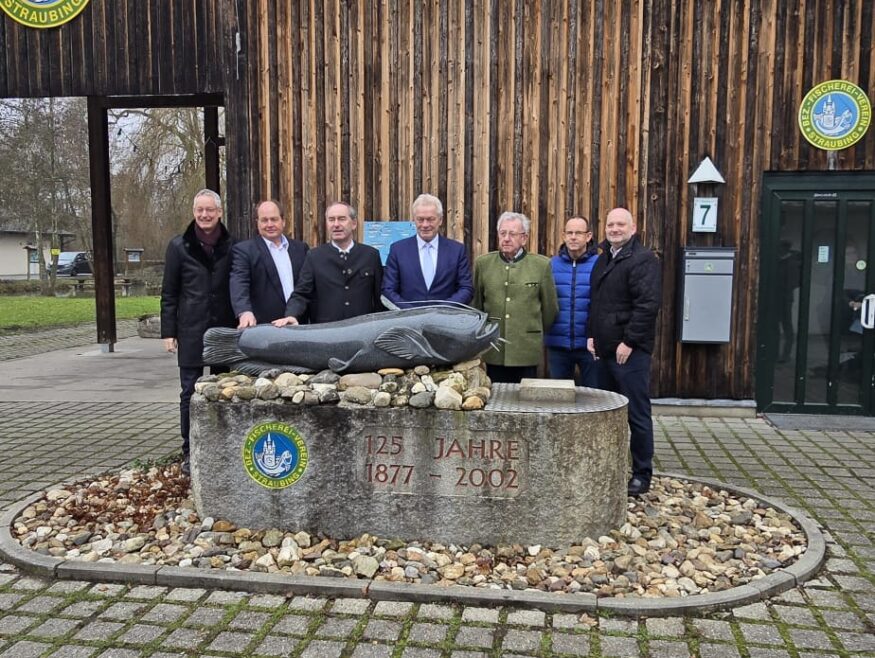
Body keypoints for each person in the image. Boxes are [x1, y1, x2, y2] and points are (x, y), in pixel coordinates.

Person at [160, 189, 236, 475]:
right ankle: (190, 449)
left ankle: (223, 445)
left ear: (219, 213)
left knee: (224, 389)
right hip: (191, 328)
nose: (205, 215)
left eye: (210, 210)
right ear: (194, 212)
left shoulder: (232, 246)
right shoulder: (179, 246)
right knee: (189, 391)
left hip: (222, 329)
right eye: (200, 210)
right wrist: (169, 331)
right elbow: (169, 292)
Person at [586, 207, 661, 496]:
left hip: (629, 353)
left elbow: (647, 306)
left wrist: (629, 342)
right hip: (604, 352)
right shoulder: (604, 258)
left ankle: (642, 474)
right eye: (610, 224)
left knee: (637, 415)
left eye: (620, 224)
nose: (615, 229)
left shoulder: (643, 260)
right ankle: (609, 467)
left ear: (633, 228)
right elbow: (597, 302)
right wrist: (591, 335)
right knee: (607, 413)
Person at [472, 211, 558, 383]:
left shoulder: (541, 265)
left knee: (525, 402)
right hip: (494, 349)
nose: (506, 238)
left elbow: (550, 309)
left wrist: (531, 330)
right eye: (503, 233)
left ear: (524, 238)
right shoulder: (483, 264)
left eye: (512, 234)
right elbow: (477, 306)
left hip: (526, 348)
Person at [273, 201, 383, 326]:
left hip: (363, 331)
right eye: (331, 220)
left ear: (354, 224)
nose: (336, 224)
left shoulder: (370, 255)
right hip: (325, 333)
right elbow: (301, 293)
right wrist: (292, 315)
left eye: (342, 219)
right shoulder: (314, 257)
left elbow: (380, 297)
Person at [382, 193, 473, 306]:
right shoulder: (398, 250)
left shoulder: (457, 251)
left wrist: (443, 309)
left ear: (440, 220)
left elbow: (466, 288)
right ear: (414, 220)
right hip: (409, 320)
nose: (425, 225)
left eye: (430, 219)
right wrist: (412, 312)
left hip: (446, 319)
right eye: (420, 219)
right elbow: (388, 289)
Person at [230, 200, 309, 327]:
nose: (269, 224)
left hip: (298, 324)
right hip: (265, 329)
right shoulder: (245, 251)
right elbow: (239, 282)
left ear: (283, 221)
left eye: (274, 219)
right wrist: (244, 312)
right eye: (264, 220)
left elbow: (306, 286)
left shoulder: (300, 249)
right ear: (257, 223)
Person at [544, 215, 599, 386]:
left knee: (593, 397)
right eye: (569, 233)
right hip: (558, 345)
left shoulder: (600, 264)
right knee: (560, 399)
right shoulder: (551, 265)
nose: (573, 237)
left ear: (588, 236)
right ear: (563, 235)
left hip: (590, 346)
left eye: (578, 233)